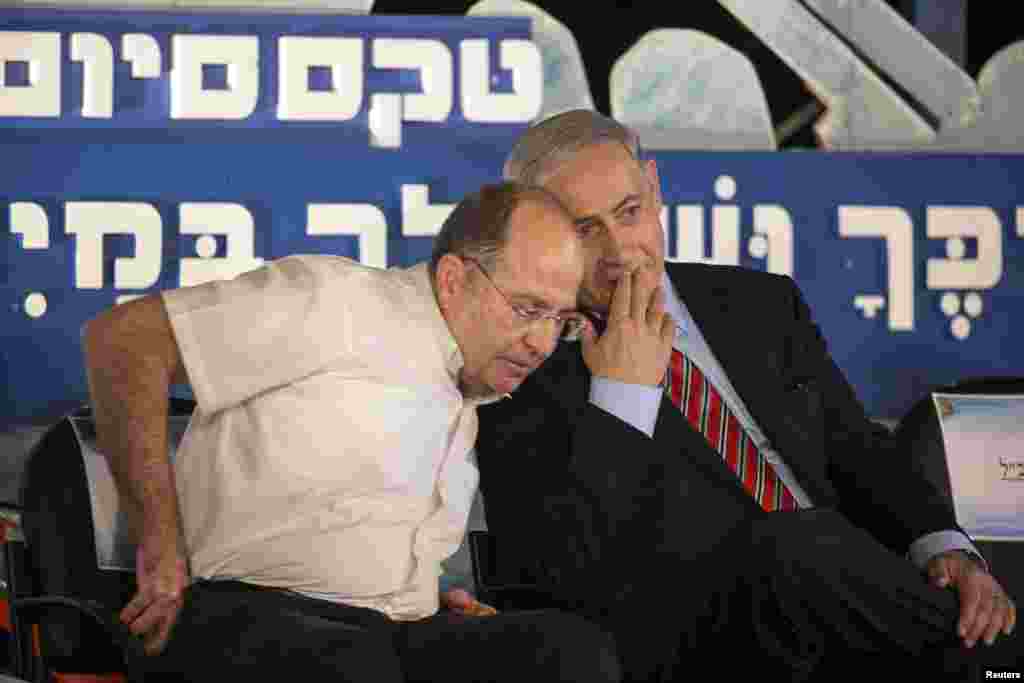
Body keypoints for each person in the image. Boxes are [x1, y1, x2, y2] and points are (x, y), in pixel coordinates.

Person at [474, 111, 1018, 681]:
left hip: (853, 605)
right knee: (800, 543)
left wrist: (945, 549)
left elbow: (860, 454)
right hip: (704, 642)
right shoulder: (517, 369)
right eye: (585, 230)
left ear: (655, 189)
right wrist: (621, 394)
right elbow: (564, 574)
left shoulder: (758, 302)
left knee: (824, 548)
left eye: (629, 212)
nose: (619, 250)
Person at [81, 181, 621, 683]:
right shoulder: (338, 301)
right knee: (357, 664)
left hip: (389, 637)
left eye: (559, 320)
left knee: (569, 653)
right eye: (528, 310)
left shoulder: (468, 391)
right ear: (455, 280)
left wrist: (435, 610)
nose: (542, 344)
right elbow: (124, 340)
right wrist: (159, 543)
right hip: (247, 618)